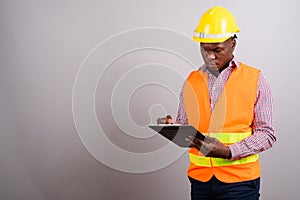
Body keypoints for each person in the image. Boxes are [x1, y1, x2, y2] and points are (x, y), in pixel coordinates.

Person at [175, 6, 276, 200]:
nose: (210, 56)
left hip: (241, 183)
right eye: (204, 50)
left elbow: (267, 134)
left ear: (233, 44)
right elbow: (185, 129)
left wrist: (229, 151)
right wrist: (172, 128)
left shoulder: (255, 79)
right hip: (200, 181)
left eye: (217, 50)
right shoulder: (191, 80)